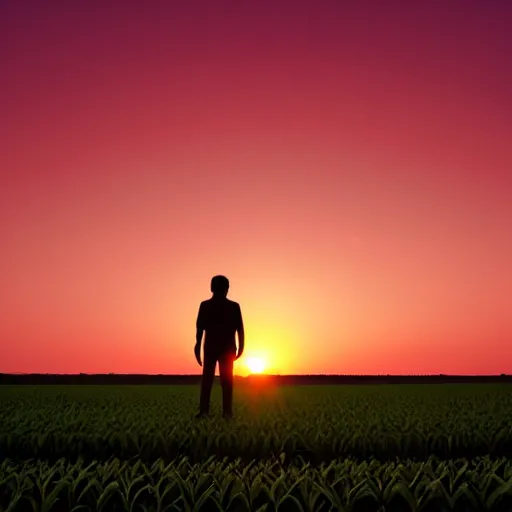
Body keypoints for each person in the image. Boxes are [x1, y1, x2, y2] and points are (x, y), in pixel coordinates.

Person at [194, 275, 244, 419]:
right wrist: (241, 346)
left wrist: (197, 346)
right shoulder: (231, 306)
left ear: (211, 288)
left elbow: (199, 330)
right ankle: (222, 412)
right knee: (221, 380)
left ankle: (211, 411)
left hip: (218, 348)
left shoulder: (208, 306)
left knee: (212, 380)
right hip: (221, 348)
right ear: (227, 289)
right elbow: (199, 328)